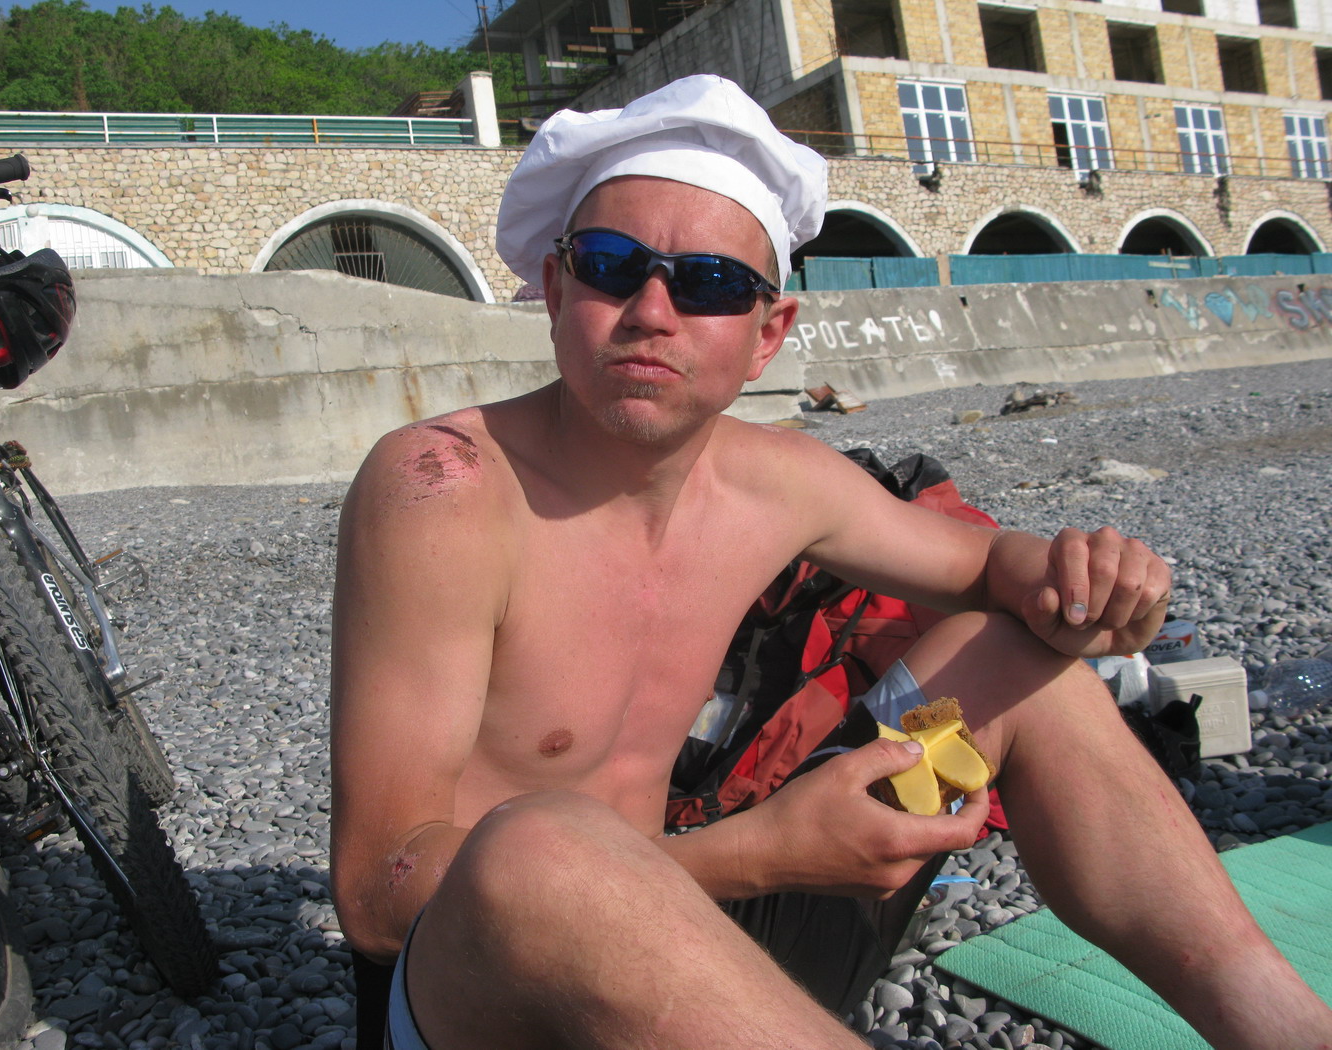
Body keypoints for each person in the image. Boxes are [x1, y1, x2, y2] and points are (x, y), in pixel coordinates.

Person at [330, 75, 1332, 1050]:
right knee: (538, 847)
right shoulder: (445, 489)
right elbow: (376, 891)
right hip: (499, 995)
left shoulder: (776, 483)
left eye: (710, 284)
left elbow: (991, 567)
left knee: (1017, 664)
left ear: (768, 335)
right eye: (609, 264)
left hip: (703, 921)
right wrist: (762, 853)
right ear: (554, 289)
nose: (651, 311)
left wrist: (1085, 581)